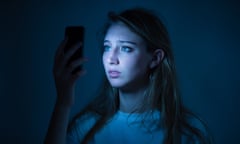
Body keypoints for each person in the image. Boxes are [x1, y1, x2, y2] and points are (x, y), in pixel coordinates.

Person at [44, 8, 213, 144]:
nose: (111, 58)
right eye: (107, 47)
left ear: (155, 58)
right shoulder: (86, 127)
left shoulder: (188, 132)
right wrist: (63, 104)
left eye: (126, 48)